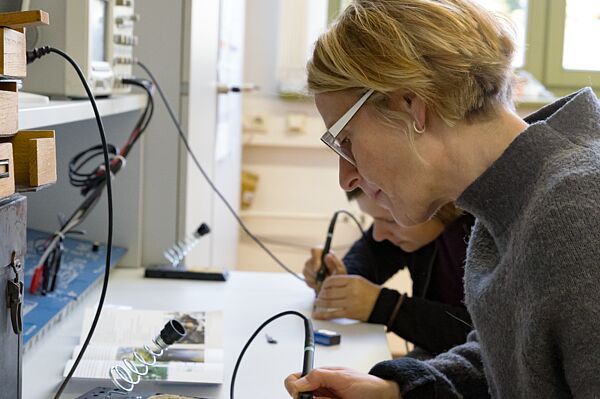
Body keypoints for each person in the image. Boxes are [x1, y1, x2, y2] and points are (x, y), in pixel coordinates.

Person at [285, 1, 600, 398]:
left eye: (345, 141)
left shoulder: (581, 215)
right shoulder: (509, 197)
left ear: (409, 104)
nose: (346, 176)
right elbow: (513, 355)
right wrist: (394, 390)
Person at [304, 188, 474, 357]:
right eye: (375, 219)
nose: (378, 235)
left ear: (440, 204)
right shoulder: (411, 221)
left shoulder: (487, 235)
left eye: (390, 220)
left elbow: (482, 339)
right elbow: (369, 256)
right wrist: (334, 275)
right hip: (436, 354)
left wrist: (383, 306)